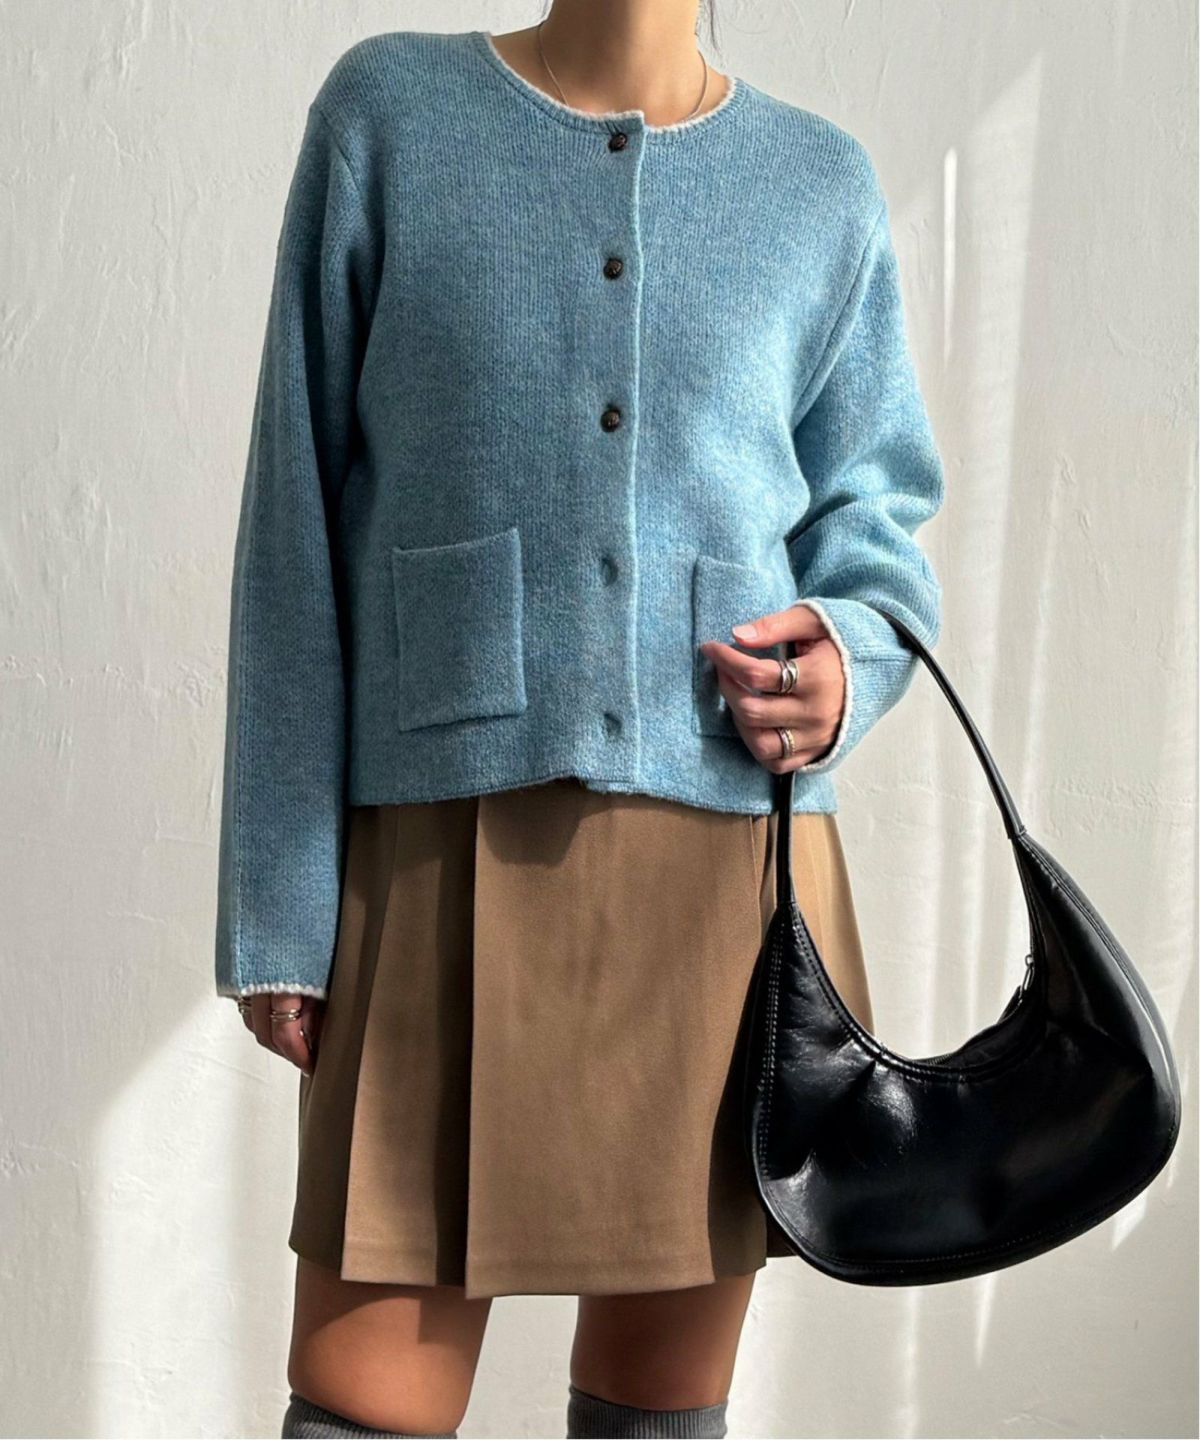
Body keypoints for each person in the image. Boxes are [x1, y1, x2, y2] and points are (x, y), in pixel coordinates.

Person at [214, 4, 944, 1437]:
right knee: (359, 1407)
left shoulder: (819, 186)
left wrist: (849, 659)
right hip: (431, 863)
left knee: (655, 1415)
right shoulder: (390, 118)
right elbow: (291, 526)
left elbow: (879, 522)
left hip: (726, 886)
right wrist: (283, 904)